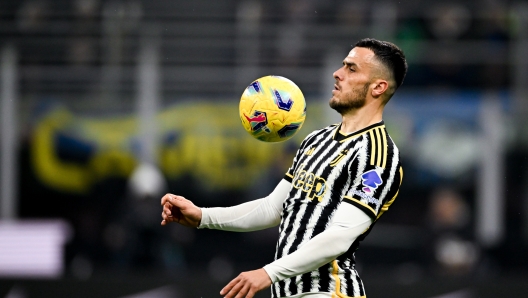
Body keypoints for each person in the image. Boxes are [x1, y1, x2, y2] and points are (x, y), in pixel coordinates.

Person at [161, 38, 407, 298]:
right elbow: (273, 207)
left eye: (352, 69)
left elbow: (341, 236)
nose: (338, 73)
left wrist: (269, 272)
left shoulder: (379, 156)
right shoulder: (317, 140)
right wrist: (202, 216)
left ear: (378, 87)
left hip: (329, 291)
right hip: (288, 292)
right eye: (342, 65)